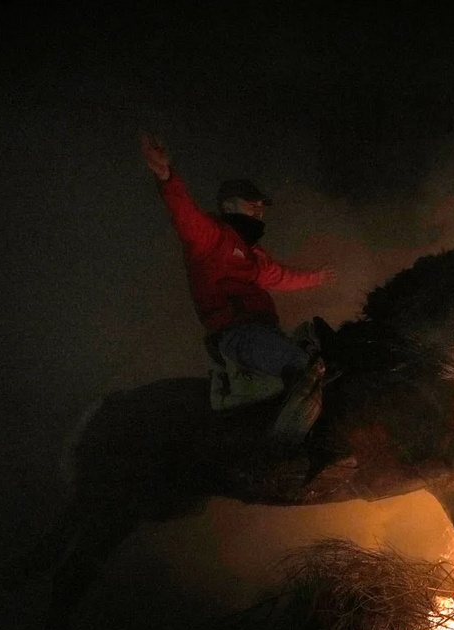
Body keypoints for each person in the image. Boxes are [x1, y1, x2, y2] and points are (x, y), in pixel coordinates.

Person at [141, 132, 335, 442]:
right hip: (237, 334)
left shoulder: (253, 254)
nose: (260, 210)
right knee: (300, 365)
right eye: (252, 204)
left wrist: (317, 278)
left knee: (319, 347)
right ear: (229, 206)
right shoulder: (212, 237)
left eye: (262, 207)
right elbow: (185, 215)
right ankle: (285, 447)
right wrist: (167, 177)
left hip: (264, 331)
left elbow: (281, 277)